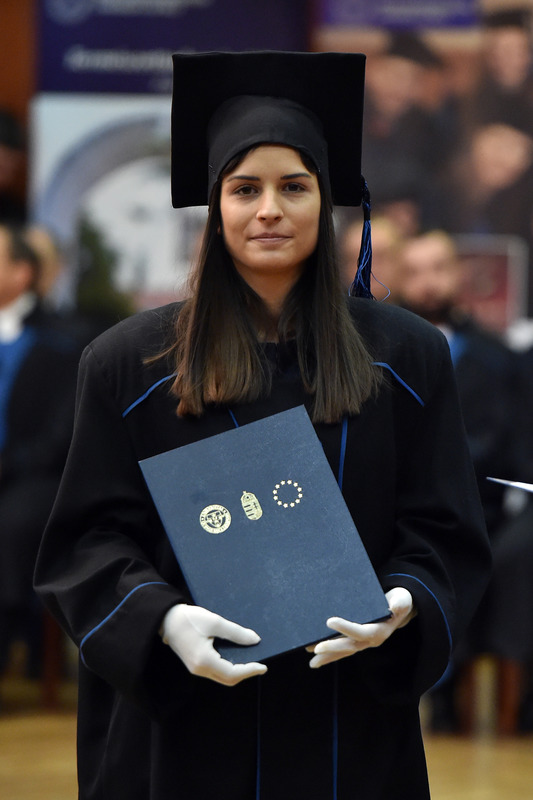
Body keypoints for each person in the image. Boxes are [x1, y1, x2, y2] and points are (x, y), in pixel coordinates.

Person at [34, 52, 491, 800]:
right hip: (182, 722)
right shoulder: (130, 364)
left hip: (344, 717)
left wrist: (403, 601)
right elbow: (88, 539)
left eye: (294, 187)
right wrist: (163, 620)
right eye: (244, 188)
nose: (269, 209)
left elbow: (443, 526)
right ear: (215, 206)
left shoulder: (405, 356)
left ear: (327, 201)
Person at [396, 229, 517, 729]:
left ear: (459, 274)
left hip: (478, 505)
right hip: (394, 502)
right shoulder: (376, 352)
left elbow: (505, 443)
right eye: (414, 271)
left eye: (438, 268)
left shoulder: (496, 357)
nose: (428, 283)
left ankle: (452, 700)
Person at [0, 223, 80, 677]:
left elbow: (61, 434)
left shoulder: (61, 339)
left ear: (21, 272)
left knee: (15, 521)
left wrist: (10, 463)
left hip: (33, 476)